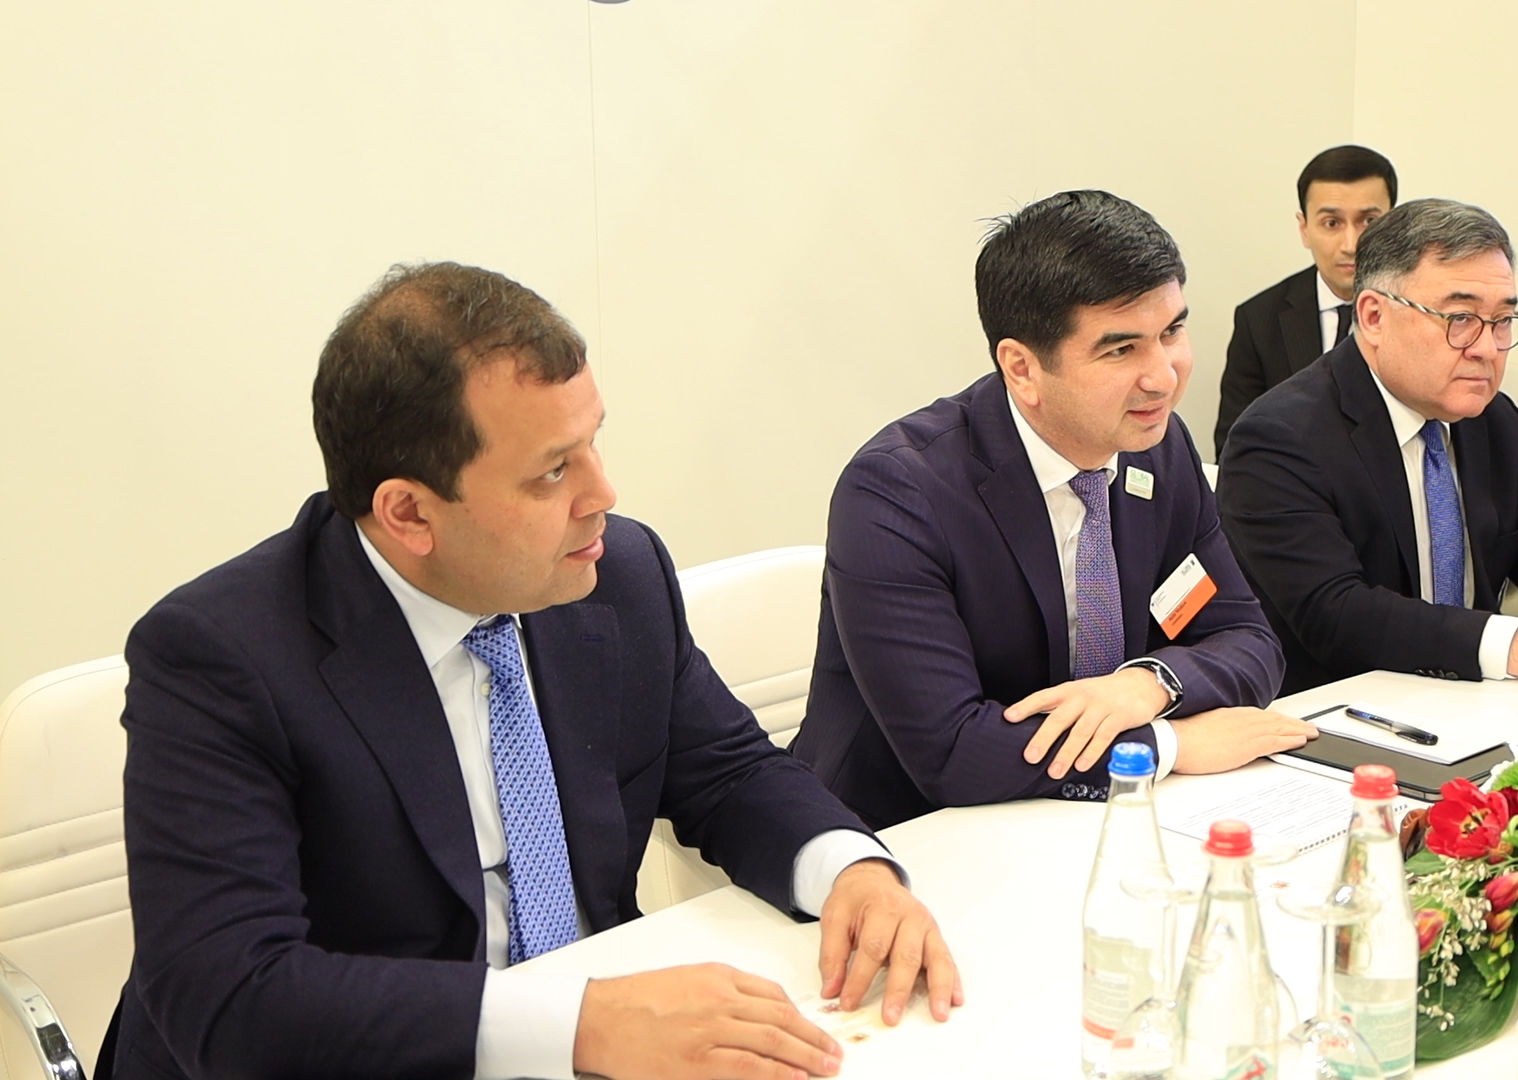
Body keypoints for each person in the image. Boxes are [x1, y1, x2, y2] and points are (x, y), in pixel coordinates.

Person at [108, 263, 958, 1080]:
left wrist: (850, 872)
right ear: (409, 513)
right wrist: (582, 1024)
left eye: (592, 444)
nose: (603, 494)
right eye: (553, 471)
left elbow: (727, 773)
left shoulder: (615, 573)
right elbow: (233, 997)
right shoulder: (221, 658)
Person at [790, 190, 1312, 831]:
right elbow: (953, 752)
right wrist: (1167, 746)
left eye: (1172, 332)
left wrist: (1149, 684)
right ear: (1022, 368)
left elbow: (1249, 641)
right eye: (1121, 349)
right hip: (906, 835)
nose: (1164, 376)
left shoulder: (1157, 446)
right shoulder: (898, 491)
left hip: (1085, 819)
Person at [1218, 198, 1518, 695]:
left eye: (1502, 320)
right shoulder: (1278, 438)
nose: (1486, 348)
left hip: (1471, 700)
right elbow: (1337, 614)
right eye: (1460, 318)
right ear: (1374, 316)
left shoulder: (1490, 418)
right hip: (1337, 709)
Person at [1213, 145, 1399, 455]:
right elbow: (1235, 446)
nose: (1351, 245)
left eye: (1368, 221)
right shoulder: (1258, 320)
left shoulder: (1423, 314)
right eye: (1332, 223)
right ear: (1305, 229)